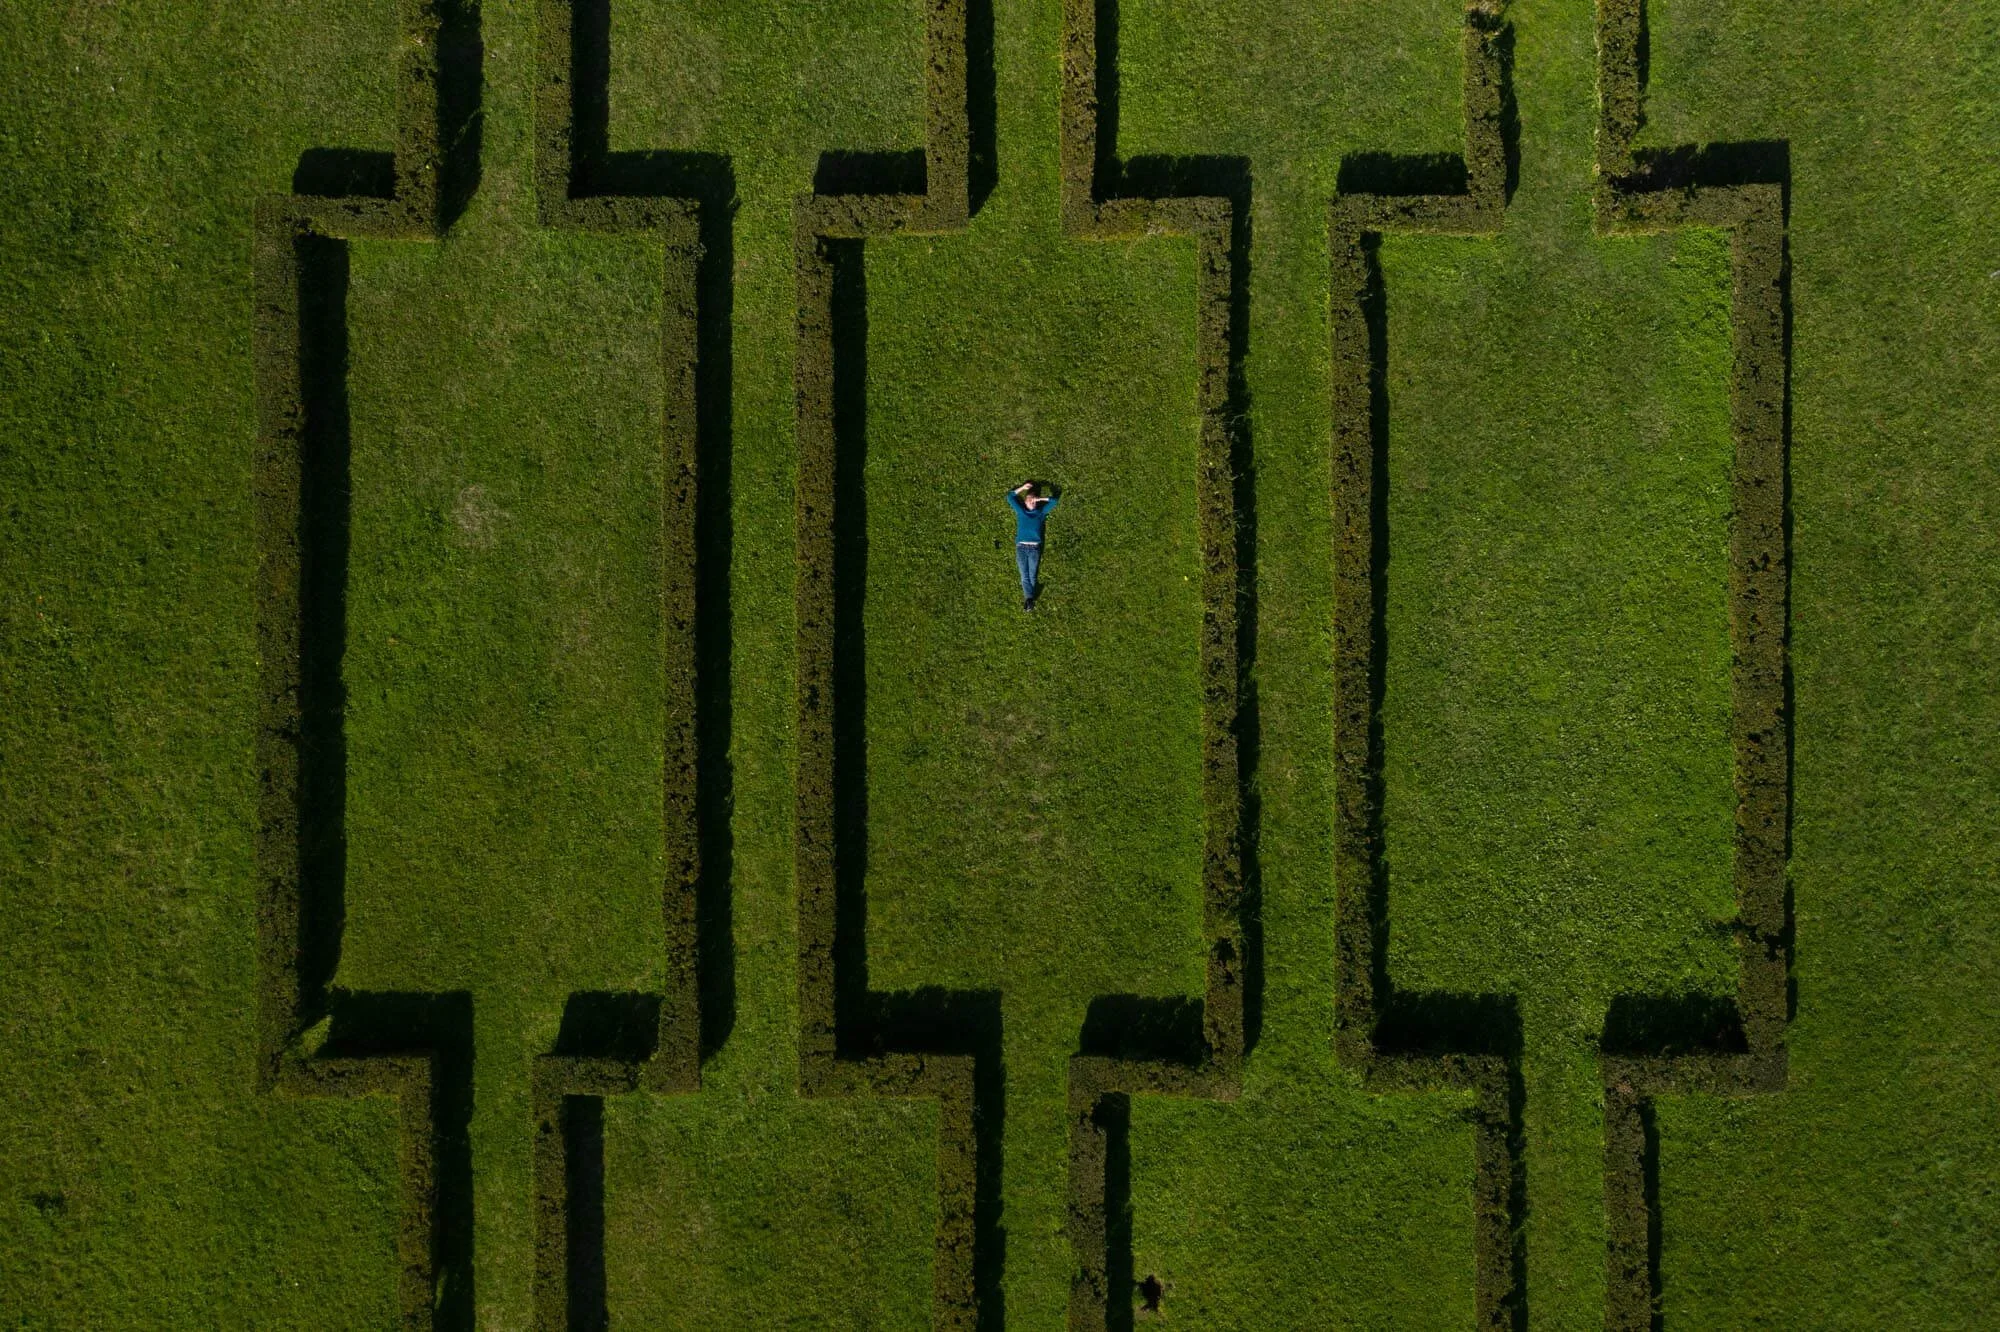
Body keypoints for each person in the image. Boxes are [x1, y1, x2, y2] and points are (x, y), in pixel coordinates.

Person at [1006, 481, 1060, 609]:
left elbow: (1054, 501)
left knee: (1032, 575)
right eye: (1030, 500)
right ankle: (1029, 599)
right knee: (1024, 575)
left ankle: (1029, 599)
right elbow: (1010, 497)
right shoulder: (1021, 512)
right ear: (1024, 501)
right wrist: (1023, 488)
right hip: (1022, 547)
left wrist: (1041, 498)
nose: (1033, 502)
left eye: (1034, 500)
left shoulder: (1040, 513)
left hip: (1034, 548)